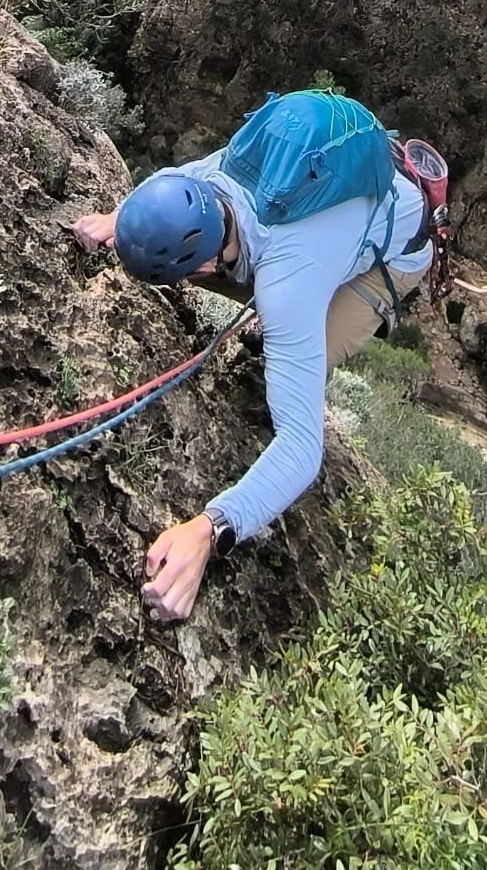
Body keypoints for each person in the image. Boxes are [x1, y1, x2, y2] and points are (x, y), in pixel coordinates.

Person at [71, 89, 433, 623]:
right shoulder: (210, 179)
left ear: (199, 270)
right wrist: (124, 222)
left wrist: (209, 529)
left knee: (290, 361)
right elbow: (163, 185)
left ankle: (299, 329)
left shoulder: (288, 280)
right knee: (279, 311)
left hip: (390, 256)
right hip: (329, 208)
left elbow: (301, 448)